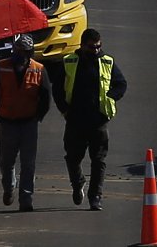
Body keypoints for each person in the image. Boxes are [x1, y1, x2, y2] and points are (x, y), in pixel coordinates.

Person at [52, 28, 127, 211]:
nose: (96, 50)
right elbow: (57, 89)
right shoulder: (69, 61)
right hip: (75, 120)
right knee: (72, 158)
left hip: (98, 121)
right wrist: (64, 110)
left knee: (99, 160)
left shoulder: (106, 61)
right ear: (82, 45)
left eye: (98, 46)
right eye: (92, 47)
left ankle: (96, 197)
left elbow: (121, 84)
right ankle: (77, 183)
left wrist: (110, 98)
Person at [0, 34, 49, 212]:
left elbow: (46, 98)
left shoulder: (39, 69)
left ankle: (26, 199)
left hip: (29, 124)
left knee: (28, 164)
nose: (21, 55)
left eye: (25, 52)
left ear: (30, 53)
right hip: (7, 123)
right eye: (18, 51)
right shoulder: (2, 67)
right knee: (6, 161)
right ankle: (9, 187)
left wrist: (38, 116)